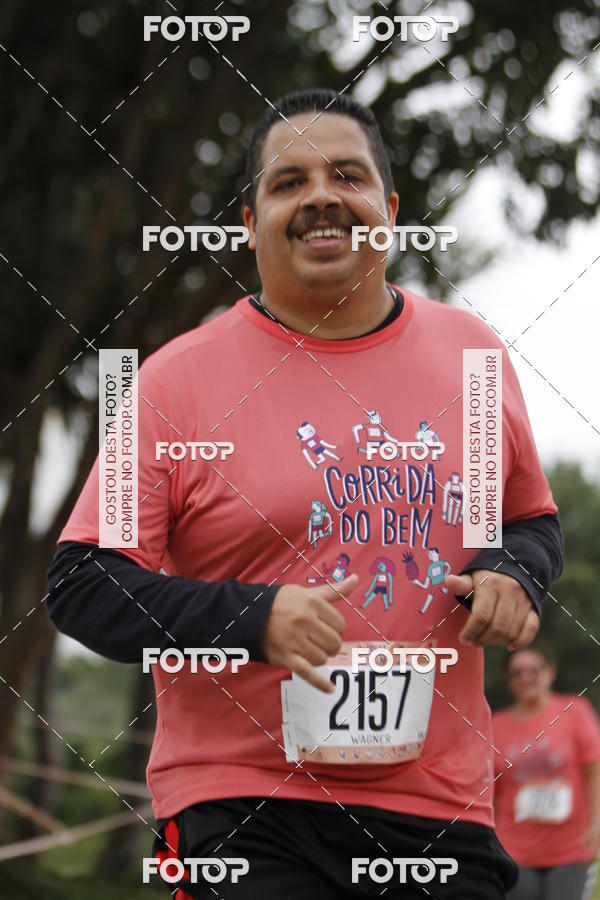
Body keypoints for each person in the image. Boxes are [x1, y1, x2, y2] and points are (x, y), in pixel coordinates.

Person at [46, 88, 564, 899]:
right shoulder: (168, 384)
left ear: (387, 209)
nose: (322, 195)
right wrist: (252, 620)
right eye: (288, 182)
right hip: (242, 805)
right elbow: (81, 582)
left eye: (347, 176)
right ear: (249, 224)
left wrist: (514, 574)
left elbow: (529, 519)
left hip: (440, 806)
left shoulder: (474, 360)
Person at [492, 645, 600, 900]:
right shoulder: (497, 724)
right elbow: (491, 790)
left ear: (549, 672)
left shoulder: (574, 710)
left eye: (533, 670)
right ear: (509, 681)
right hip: (515, 848)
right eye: (517, 673)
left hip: (570, 848)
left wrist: (596, 824)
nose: (526, 678)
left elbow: (594, 770)